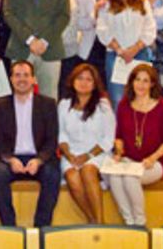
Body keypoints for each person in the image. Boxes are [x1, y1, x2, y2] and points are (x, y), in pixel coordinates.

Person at [0, 61, 60, 227]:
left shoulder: (48, 104)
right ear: (11, 79)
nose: (22, 79)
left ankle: (41, 227)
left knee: (53, 174)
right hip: (11, 158)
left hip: (37, 158)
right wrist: (9, 159)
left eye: (26, 75)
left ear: (34, 79)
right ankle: (10, 227)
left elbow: (52, 139)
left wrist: (39, 160)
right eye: (17, 75)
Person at [108, 64, 163, 226]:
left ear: (152, 84)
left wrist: (152, 158)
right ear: (131, 82)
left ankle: (140, 223)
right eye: (137, 80)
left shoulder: (162, 106)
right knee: (113, 176)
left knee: (130, 178)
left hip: (153, 162)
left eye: (145, 81)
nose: (141, 85)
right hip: (129, 159)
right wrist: (118, 151)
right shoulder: (124, 105)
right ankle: (129, 221)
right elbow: (119, 136)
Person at [58, 63, 115, 223]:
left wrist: (88, 155)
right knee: (72, 177)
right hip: (71, 154)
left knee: (88, 170)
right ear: (73, 81)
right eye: (80, 78)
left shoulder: (103, 105)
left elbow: (108, 138)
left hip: (97, 153)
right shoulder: (63, 104)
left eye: (89, 79)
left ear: (95, 83)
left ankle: (100, 221)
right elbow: (61, 134)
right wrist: (68, 154)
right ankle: (93, 220)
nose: (84, 82)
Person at [96, 0, 156, 110]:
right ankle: (120, 133)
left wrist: (134, 49)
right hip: (116, 56)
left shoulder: (142, 1)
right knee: (118, 100)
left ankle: (140, 133)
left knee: (141, 97)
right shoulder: (107, 2)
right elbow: (102, 29)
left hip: (140, 54)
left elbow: (150, 28)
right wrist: (119, 50)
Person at [48, 0, 81, 98]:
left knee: (67, 92)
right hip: (50, 49)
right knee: (50, 92)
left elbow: (79, 18)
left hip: (70, 49)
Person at [75, 0, 111, 82]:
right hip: (92, 47)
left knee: (112, 87)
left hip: (113, 46)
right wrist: (95, 13)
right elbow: (79, 23)